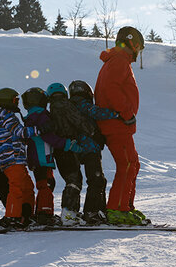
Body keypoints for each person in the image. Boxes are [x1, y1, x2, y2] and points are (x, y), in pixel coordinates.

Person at [95, 26, 147, 225]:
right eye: (139, 48)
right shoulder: (118, 61)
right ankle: (117, 209)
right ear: (132, 43)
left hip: (118, 123)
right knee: (126, 164)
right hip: (116, 122)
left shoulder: (119, 60)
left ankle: (126, 206)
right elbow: (111, 88)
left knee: (132, 163)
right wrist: (126, 113)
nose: (138, 52)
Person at [22, 87, 85, 226]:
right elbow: (49, 136)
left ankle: (41, 212)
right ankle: (44, 213)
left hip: (35, 157)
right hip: (43, 156)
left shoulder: (30, 117)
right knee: (46, 184)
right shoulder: (42, 115)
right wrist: (67, 144)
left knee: (45, 182)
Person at [46, 82, 105, 225]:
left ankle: (70, 213)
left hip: (60, 149)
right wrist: (93, 132)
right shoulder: (66, 106)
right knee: (74, 180)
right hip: (69, 147)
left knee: (72, 180)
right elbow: (78, 121)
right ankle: (69, 214)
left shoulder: (51, 110)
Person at [68, 79, 119, 224]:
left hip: (78, 149)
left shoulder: (71, 105)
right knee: (96, 179)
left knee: (96, 180)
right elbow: (96, 112)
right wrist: (116, 114)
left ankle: (97, 210)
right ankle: (92, 212)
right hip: (90, 148)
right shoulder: (82, 104)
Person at [0, 88, 38, 229]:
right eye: (15, 100)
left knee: (28, 186)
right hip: (12, 157)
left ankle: (25, 215)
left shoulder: (3, 115)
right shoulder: (6, 115)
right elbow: (20, 132)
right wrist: (40, 129)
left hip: (14, 158)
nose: (17, 103)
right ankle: (12, 216)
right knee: (17, 187)